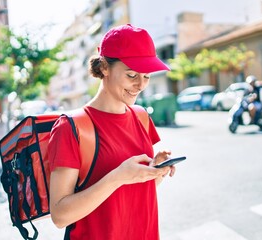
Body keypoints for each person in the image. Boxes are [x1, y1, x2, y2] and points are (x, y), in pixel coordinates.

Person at [48, 24, 175, 240]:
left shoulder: (141, 117)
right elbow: (60, 216)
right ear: (105, 67)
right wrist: (117, 177)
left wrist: (155, 171)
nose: (140, 85)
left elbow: (135, 194)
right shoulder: (71, 127)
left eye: (147, 76)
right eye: (132, 75)